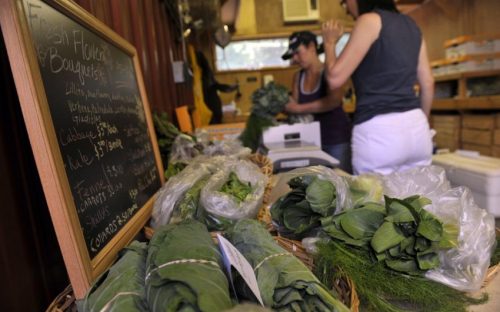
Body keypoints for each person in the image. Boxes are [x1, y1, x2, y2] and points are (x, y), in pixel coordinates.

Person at [321, 0, 434, 175]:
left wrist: (329, 43)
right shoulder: (412, 25)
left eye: (345, 2)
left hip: (379, 132)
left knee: (375, 199)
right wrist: (422, 124)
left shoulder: (369, 21)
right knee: (418, 198)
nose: (346, 9)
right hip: (417, 128)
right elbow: (428, 83)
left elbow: (335, 78)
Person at [282, 31, 353, 173]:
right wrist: (282, 102)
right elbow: (294, 106)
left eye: (298, 52)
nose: (295, 58)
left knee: (343, 182)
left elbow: (333, 100)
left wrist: (298, 108)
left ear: (312, 47)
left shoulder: (329, 71)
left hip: (335, 139)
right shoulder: (298, 76)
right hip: (311, 143)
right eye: (293, 55)